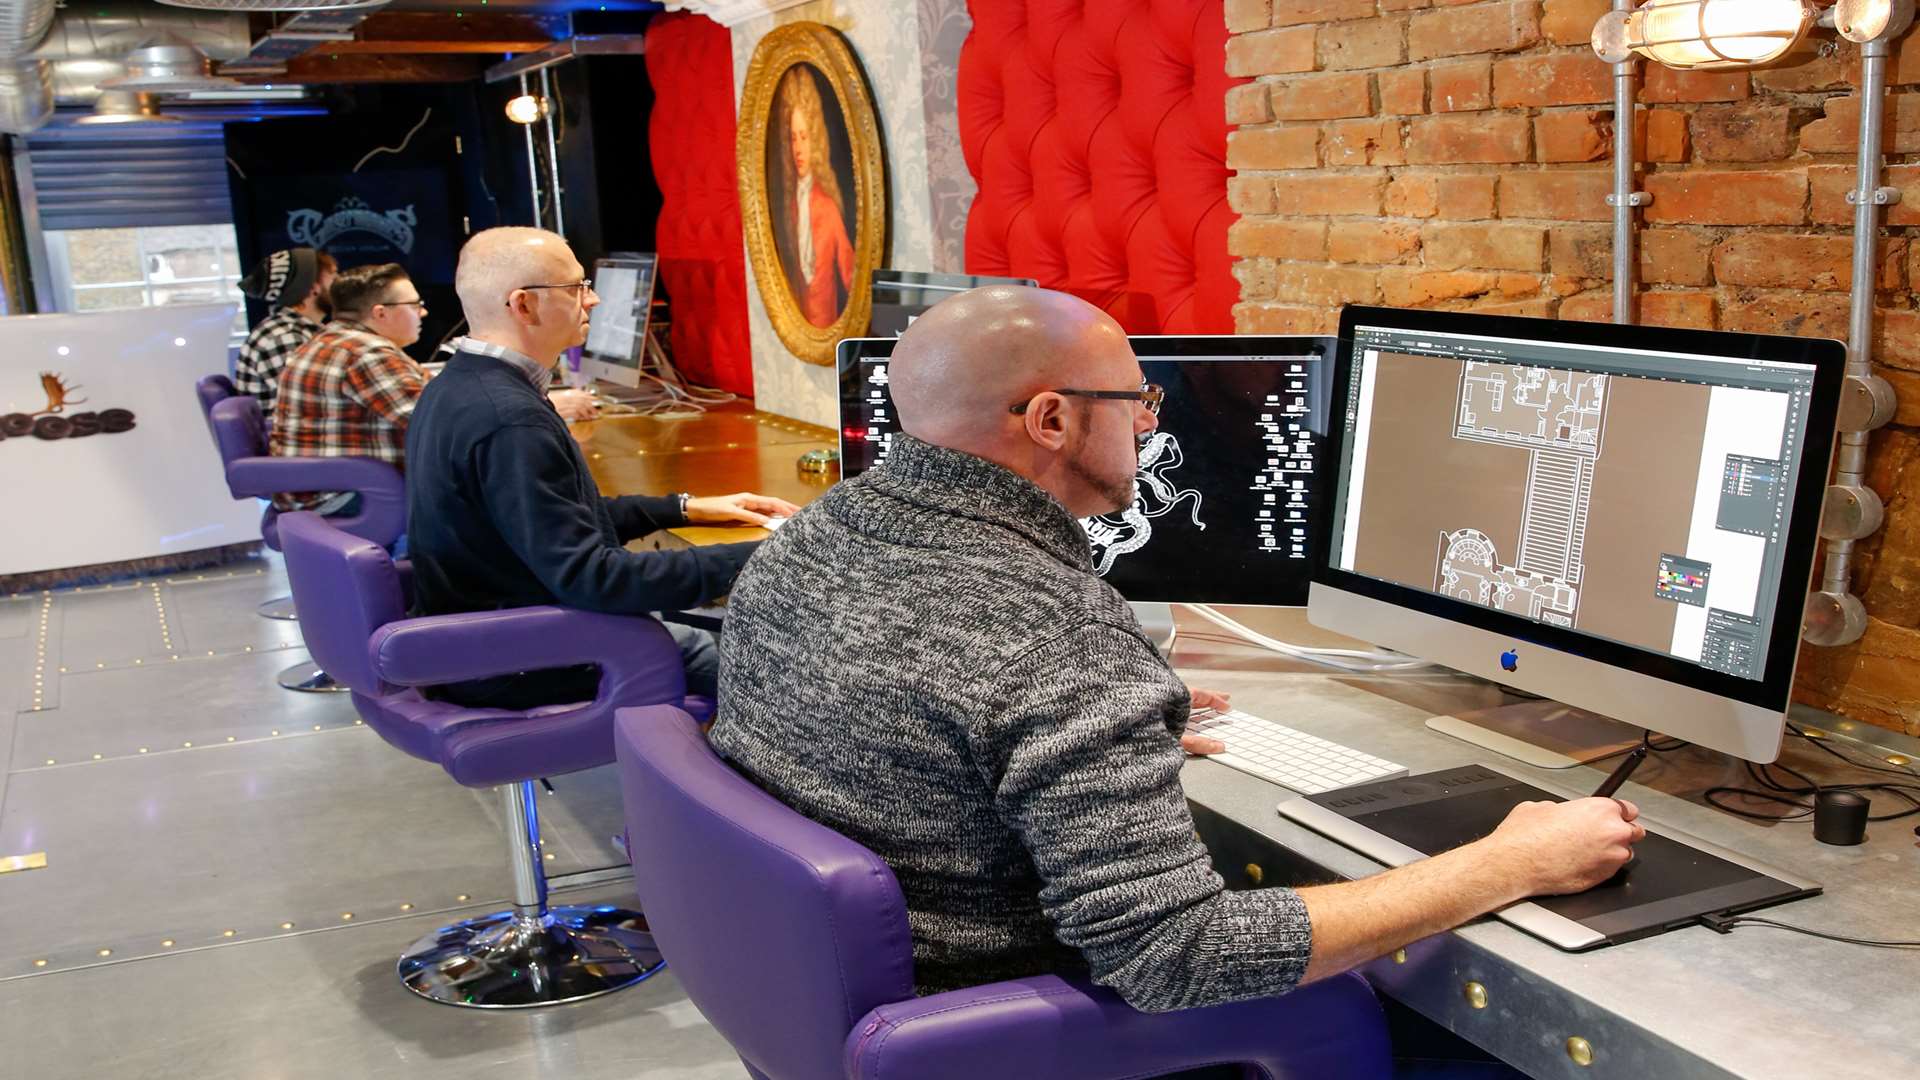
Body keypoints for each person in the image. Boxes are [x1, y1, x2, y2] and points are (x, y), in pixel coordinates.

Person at [711, 286, 1644, 1012]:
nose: (1153, 422)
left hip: (833, 989)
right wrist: (1511, 862)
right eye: (1137, 399)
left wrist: (1090, 746)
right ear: (1051, 420)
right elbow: (1174, 958)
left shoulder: (818, 532)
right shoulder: (1057, 634)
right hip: (1004, 1022)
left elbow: (923, 717)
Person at [403, 226, 799, 708]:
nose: (592, 301)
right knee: (767, 662)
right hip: (517, 660)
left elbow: (555, 523)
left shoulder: (460, 386)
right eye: (576, 288)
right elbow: (595, 580)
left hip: (485, 639)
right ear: (524, 305)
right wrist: (774, 554)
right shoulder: (510, 419)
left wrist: (688, 509)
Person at [270, 263, 428, 518]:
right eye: (414, 305)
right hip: (342, 496)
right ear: (381, 313)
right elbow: (438, 423)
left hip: (316, 491)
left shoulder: (336, 339)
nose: (423, 313)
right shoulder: (366, 353)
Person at [774, 66, 854, 328]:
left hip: (829, 332)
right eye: (793, 138)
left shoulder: (827, 206)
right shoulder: (792, 207)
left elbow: (850, 274)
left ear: (816, 140)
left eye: (804, 137)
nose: (798, 148)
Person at [234, 247, 337, 412]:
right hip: (294, 436)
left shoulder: (294, 329)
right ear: (313, 287)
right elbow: (316, 404)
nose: (339, 284)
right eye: (333, 276)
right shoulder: (285, 338)